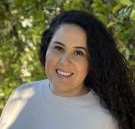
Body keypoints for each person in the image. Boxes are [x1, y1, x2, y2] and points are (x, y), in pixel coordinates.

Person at [0, 10, 135, 129]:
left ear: (93, 61)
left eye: (78, 53)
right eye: (58, 48)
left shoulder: (104, 120)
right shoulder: (20, 95)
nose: (64, 61)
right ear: (46, 49)